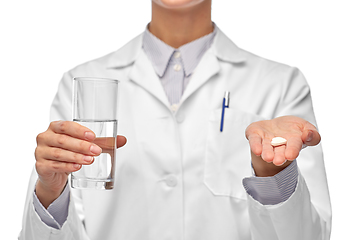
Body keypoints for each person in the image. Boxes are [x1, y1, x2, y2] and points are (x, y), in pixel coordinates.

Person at [19, 0, 331, 239]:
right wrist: (50, 194)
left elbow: (308, 235)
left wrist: (273, 173)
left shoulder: (279, 84)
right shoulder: (81, 81)